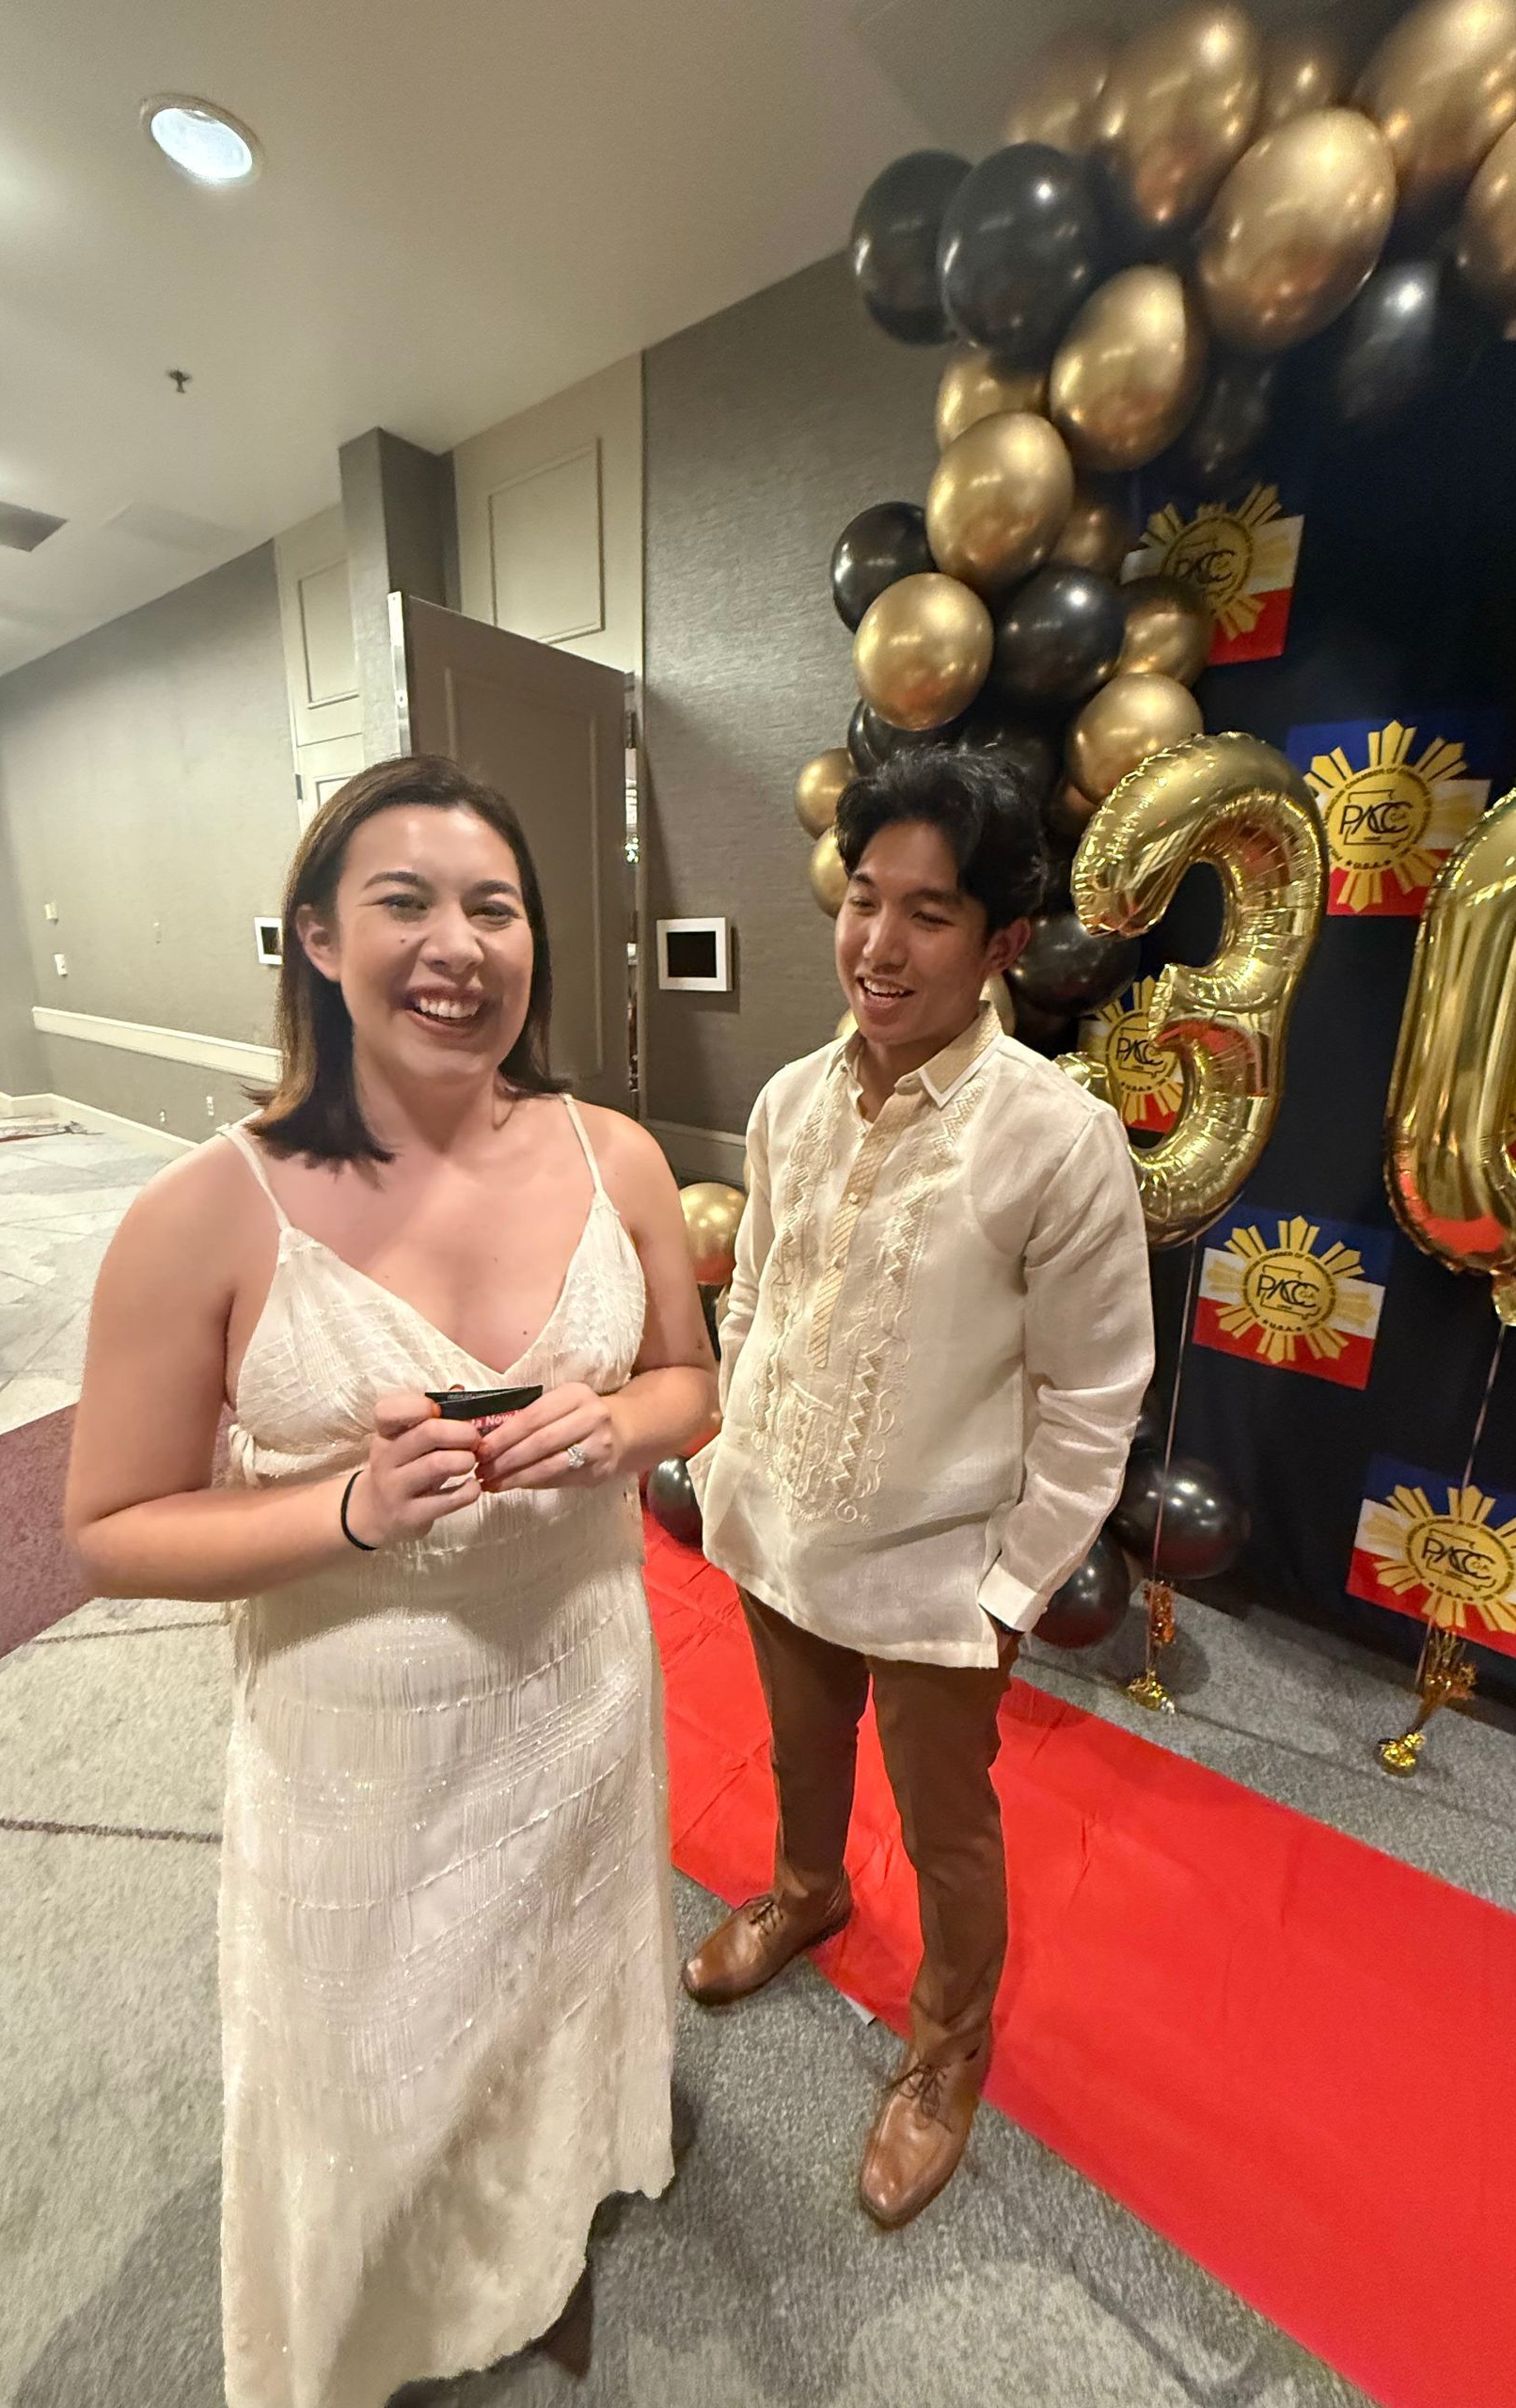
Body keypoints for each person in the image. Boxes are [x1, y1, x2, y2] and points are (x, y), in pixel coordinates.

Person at [66, 755, 717, 2404]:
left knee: (554, 1980)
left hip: (580, 1682)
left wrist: (613, 1423)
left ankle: (540, 2239)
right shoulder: (205, 1213)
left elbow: (689, 1385)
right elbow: (113, 1522)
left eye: (495, 907)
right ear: (317, 940)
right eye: (404, 903)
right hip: (358, 1733)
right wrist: (348, 1510)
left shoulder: (617, 1155)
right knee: (371, 2042)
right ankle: (379, 2311)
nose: (458, 946)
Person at [686, 746, 1153, 2229]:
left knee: (948, 1832)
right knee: (799, 1755)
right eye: (863, 901)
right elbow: (755, 1292)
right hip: (781, 1527)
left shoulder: (1055, 1139)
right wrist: (730, 1451)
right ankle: (807, 1891)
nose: (879, 946)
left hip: (946, 1573)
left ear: (1003, 942)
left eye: (929, 914)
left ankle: (947, 2049)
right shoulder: (789, 1102)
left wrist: (1013, 1588)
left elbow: (1095, 1394)